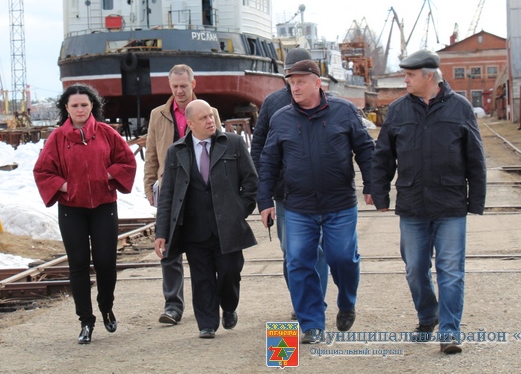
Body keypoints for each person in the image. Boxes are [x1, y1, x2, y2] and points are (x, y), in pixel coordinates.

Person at [370, 49, 486, 354]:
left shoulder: (460, 109)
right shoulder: (397, 111)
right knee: (415, 268)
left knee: (450, 269)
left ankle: (449, 331)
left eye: (410, 75)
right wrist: (380, 193)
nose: (405, 79)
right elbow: (383, 156)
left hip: (450, 205)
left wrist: (476, 200)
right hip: (412, 205)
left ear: (429, 76)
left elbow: (475, 157)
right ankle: (427, 315)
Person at [257, 60, 374, 344]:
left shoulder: (344, 111)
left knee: (342, 258)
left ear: (317, 83)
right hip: (298, 206)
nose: (294, 87)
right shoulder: (281, 118)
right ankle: (311, 323)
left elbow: (365, 149)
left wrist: (373, 185)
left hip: (340, 204)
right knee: (298, 262)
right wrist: (264, 200)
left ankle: (346, 303)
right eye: (291, 82)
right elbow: (269, 161)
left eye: (300, 82)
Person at [33, 84, 137, 345]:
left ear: (92, 106)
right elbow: (43, 171)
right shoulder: (57, 138)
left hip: (104, 206)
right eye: (74, 105)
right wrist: (67, 186)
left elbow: (127, 162)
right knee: (78, 264)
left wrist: (105, 176)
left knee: (105, 261)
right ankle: (85, 321)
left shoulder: (107, 133)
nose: (80, 109)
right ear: (66, 108)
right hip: (71, 209)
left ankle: (106, 306)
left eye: (84, 104)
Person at [154, 99, 257, 339]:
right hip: (193, 227)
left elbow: (251, 182)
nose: (210, 120)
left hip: (228, 227)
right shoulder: (176, 151)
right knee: (201, 278)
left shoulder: (233, 144)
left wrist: (238, 210)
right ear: (190, 123)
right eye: (203, 118)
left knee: (230, 271)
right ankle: (207, 324)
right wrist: (161, 233)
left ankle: (229, 307)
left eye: (211, 115)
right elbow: (167, 195)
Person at [250, 48, 328, 318]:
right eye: (290, 76)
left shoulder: (328, 103)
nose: (294, 82)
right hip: (285, 193)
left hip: (322, 193)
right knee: (292, 253)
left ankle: (313, 304)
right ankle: (301, 300)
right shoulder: (272, 104)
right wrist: (264, 192)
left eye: (300, 76)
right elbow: (258, 146)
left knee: (318, 251)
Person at [143, 65, 221, 325]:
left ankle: (213, 301)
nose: (179, 91)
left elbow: (220, 150)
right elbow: (151, 154)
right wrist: (150, 185)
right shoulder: (158, 115)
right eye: (174, 86)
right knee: (169, 248)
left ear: (193, 85)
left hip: (202, 191)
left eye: (183, 86)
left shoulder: (210, 113)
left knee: (208, 248)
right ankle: (173, 305)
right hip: (171, 188)